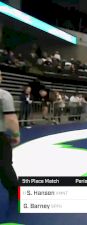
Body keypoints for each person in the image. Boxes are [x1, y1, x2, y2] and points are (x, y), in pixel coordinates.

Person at [0, 71, 20, 203]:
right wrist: (16, 135)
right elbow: (11, 119)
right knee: (5, 164)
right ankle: (15, 192)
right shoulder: (3, 95)